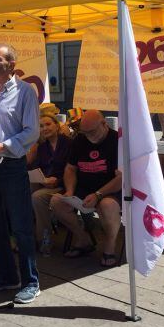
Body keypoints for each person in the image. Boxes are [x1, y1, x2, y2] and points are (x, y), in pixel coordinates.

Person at [0, 43, 40, 304]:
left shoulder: (25, 92)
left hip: (11, 165)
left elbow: (32, 132)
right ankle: (6, 275)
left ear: (12, 65)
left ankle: (30, 282)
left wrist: (3, 146)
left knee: (21, 225)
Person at [50, 110, 122, 267]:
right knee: (57, 202)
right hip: (84, 186)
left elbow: (122, 178)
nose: (89, 136)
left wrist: (98, 194)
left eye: (92, 132)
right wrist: (69, 190)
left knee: (108, 206)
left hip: (109, 188)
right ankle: (83, 240)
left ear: (104, 124)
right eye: (85, 132)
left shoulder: (117, 141)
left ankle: (109, 248)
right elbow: (70, 169)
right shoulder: (80, 140)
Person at [28, 114, 72, 255]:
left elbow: (71, 169)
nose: (45, 128)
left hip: (64, 184)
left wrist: (56, 180)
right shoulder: (42, 147)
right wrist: (42, 178)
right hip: (47, 183)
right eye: (41, 126)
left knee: (37, 197)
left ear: (56, 125)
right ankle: (25, 235)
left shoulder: (68, 143)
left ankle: (44, 238)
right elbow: (39, 167)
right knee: (23, 190)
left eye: (48, 124)